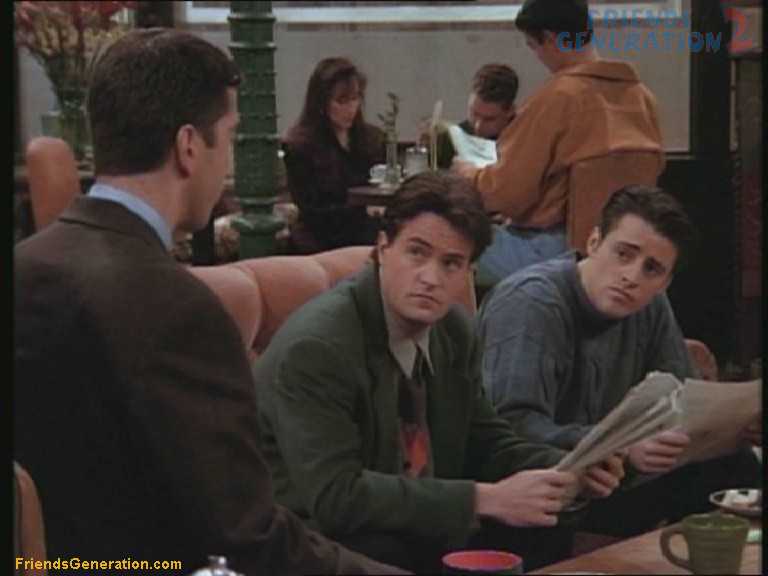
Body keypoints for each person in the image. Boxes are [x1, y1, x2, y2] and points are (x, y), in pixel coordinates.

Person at [14, 29, 404, 575]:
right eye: (231, 135)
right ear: (189, 146)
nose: (228, 160)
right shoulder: (178, 307)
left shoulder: (23, 266)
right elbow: (246, 537)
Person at [253, 171, 625, 571]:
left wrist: (565, 467)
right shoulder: (318, 347)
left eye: (451, 263)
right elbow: (337, 496)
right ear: (383, 248)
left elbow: (483, 439)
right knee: (389, 548)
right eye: (417, 252)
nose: (430, 278)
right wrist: (485, 499)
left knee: (542, 520)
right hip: (312, 535)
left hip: (410, 515)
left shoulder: (454, 330)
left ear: (468, 271)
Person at [477, 185, 761, 538]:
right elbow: (511, 424)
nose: (632, 277)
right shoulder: (532, 303)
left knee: (737, 466)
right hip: (537, 483)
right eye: (623, 254)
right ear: (594, 242)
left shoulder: (651, 304)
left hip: (615, 475)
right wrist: (622, 447)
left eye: (652, 269)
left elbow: (681, 402)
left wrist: (734, 427)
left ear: (666, 282)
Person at [454, 0, 664, 284]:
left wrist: (469, 175)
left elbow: (506, 195)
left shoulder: (560, 97)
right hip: (626, 251)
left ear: (550, 39)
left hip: (555, 252)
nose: (537, 56)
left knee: (443, 241)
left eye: (533, 45)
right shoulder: (643, 98)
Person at [282, 57, 385, 253]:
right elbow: (312, 211)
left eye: (355, 98)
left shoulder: (372, 138)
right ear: (321, 103)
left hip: (367, 236)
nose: (351, 108)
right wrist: (364, 211)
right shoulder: (301, 146)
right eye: (341, 101)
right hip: (320, 242)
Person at [432, 63, 519, 169]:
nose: (478, 126)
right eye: (474, 113)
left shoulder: (525, 141)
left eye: (489, 119)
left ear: (510, 111)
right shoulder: (449, 140)